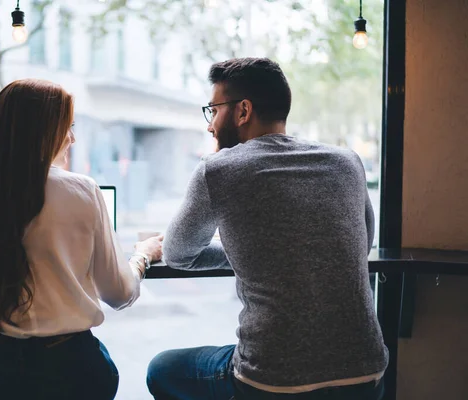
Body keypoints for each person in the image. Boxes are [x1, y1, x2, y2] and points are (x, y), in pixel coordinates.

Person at [146, 58, 388, 400]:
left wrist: (256, 257)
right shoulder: (347, 161)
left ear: (243, 111)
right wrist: (267, 256)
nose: (210, 125)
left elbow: (178, 253)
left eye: (213, 110)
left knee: (162, 368)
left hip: (274, 381)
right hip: (367, 374)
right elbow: (359, 245)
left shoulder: (218, 169)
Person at [0, 79, 163, 400]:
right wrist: (142, 256)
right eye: (66, 126)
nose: (71, 138)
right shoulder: (82, 190)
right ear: (42, 130)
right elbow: (118, 293)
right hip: (68, 368)